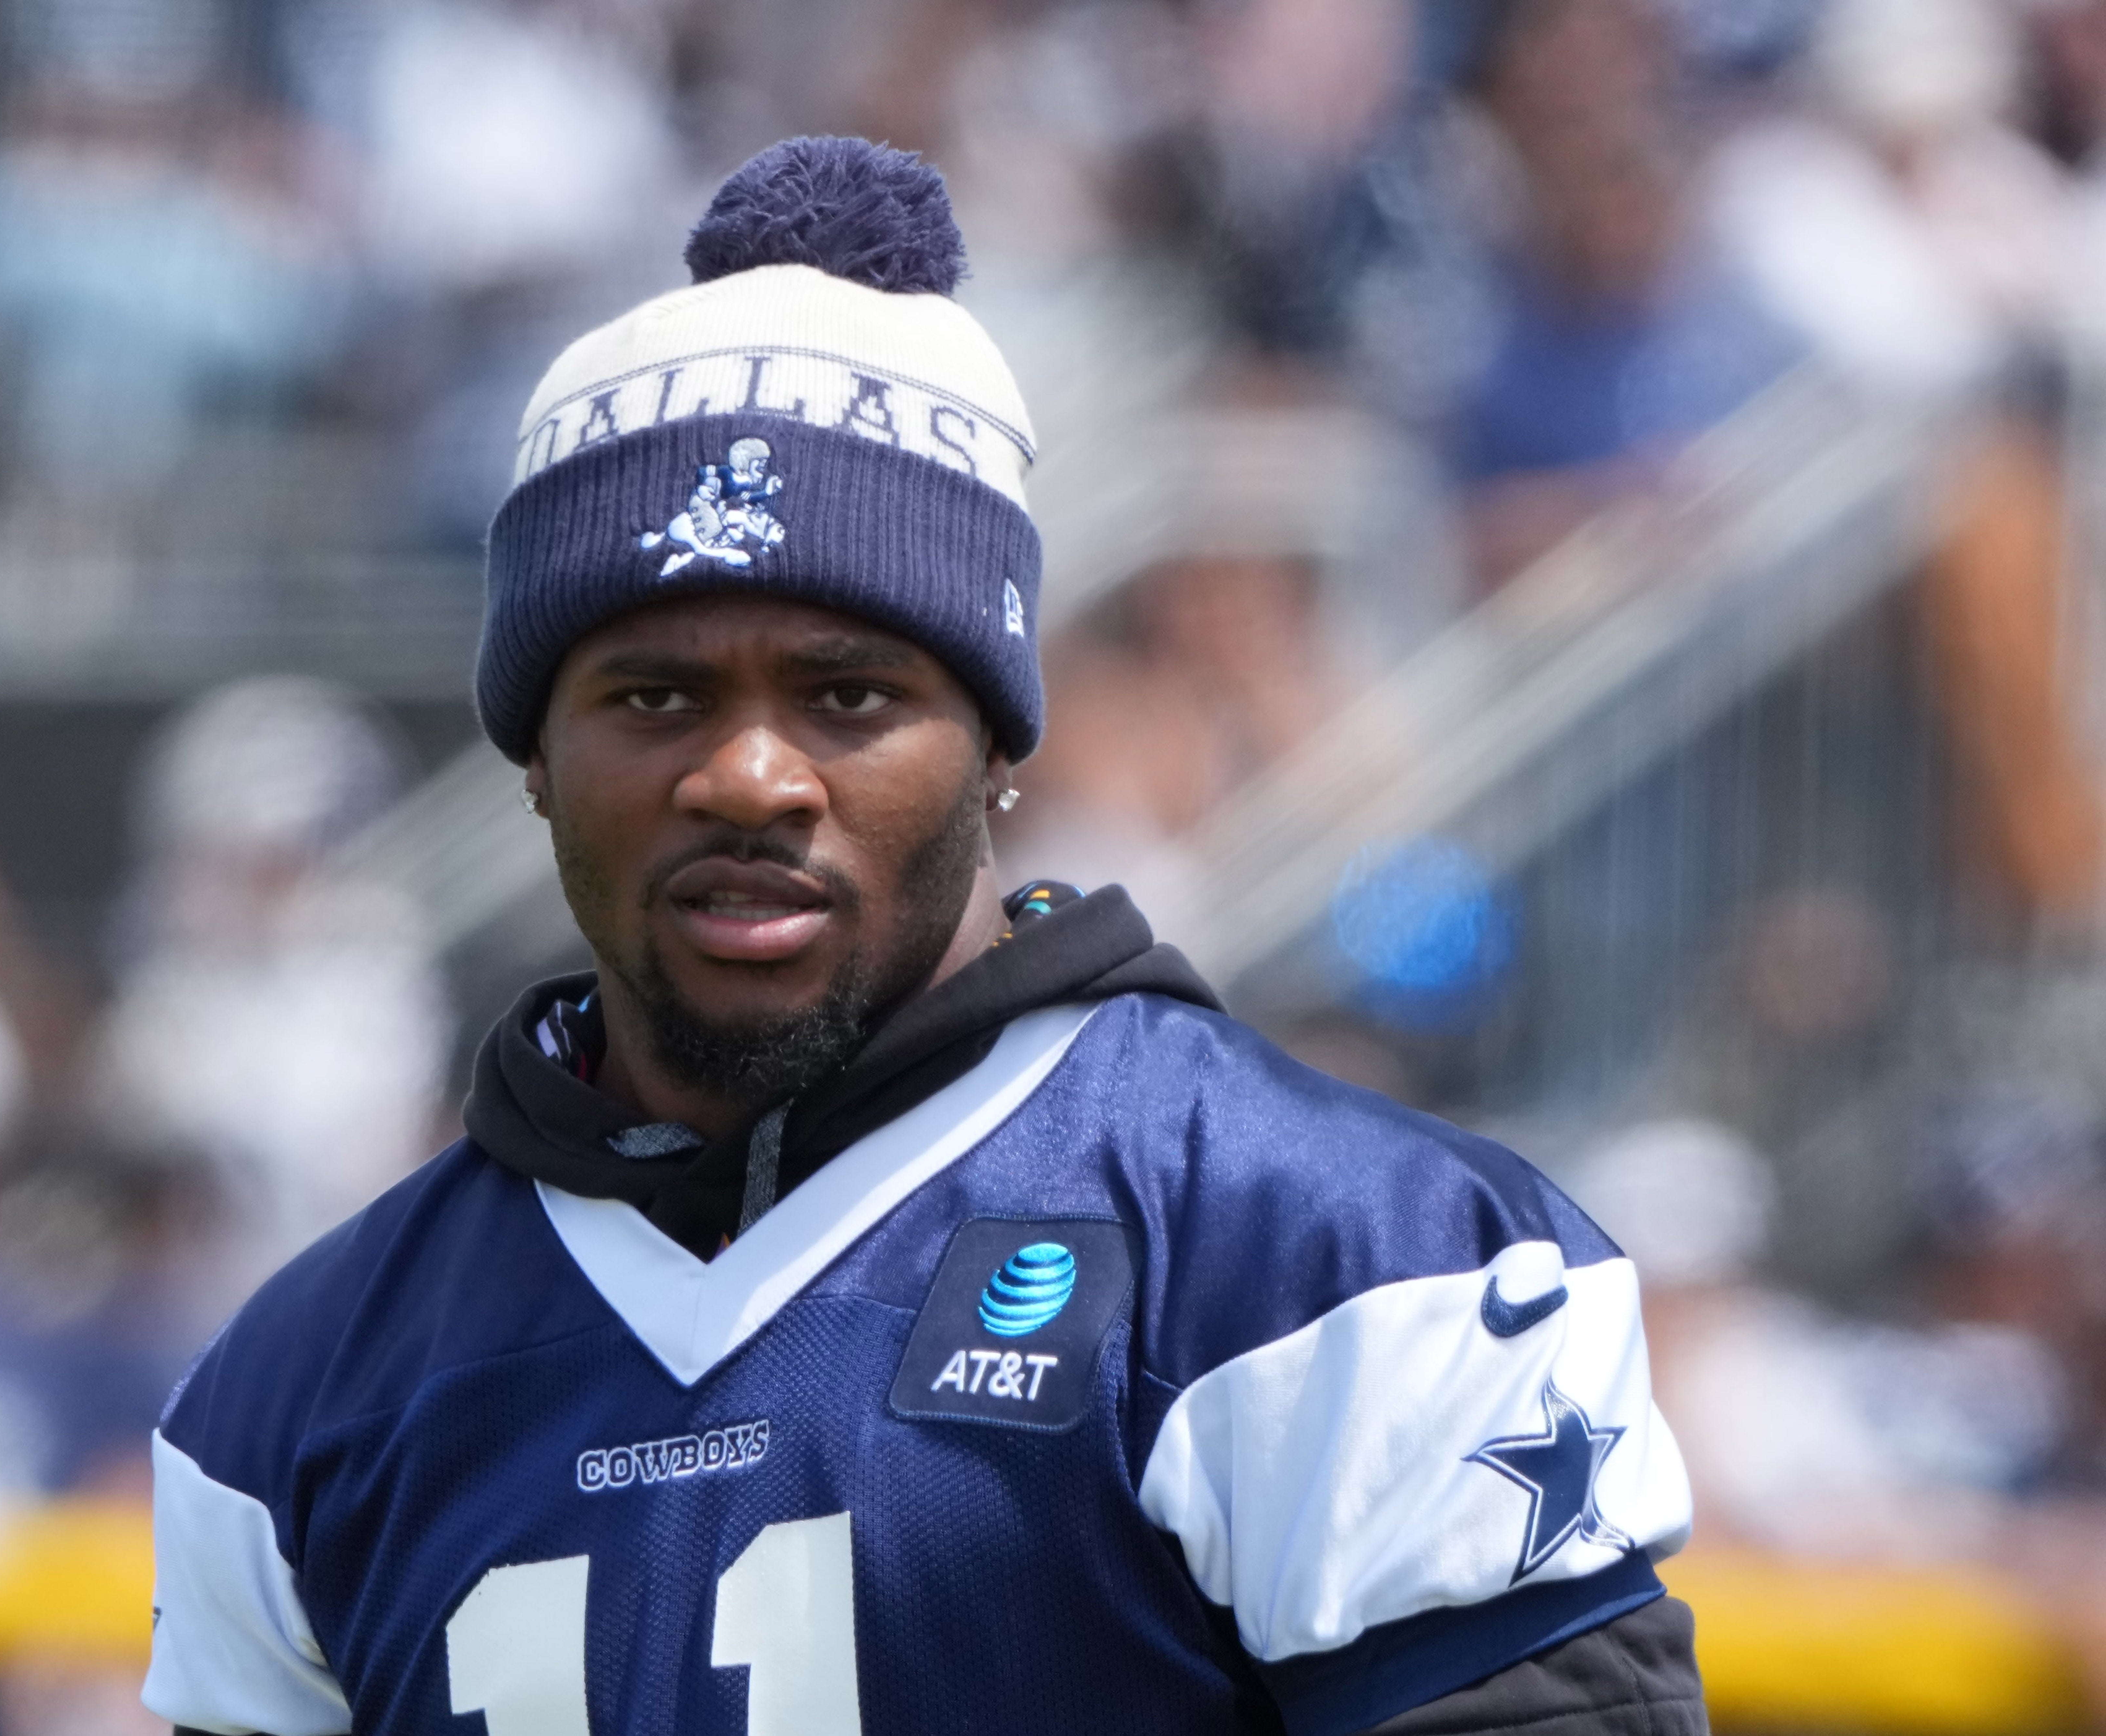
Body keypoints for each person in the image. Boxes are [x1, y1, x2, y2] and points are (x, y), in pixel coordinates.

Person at [146, 137, 1703, 1736]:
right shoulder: (304, 1393)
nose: (749, 773)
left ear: (998, 740)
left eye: (849, 693)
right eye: (654, 694)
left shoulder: (1326, 1257)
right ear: (534, 758)